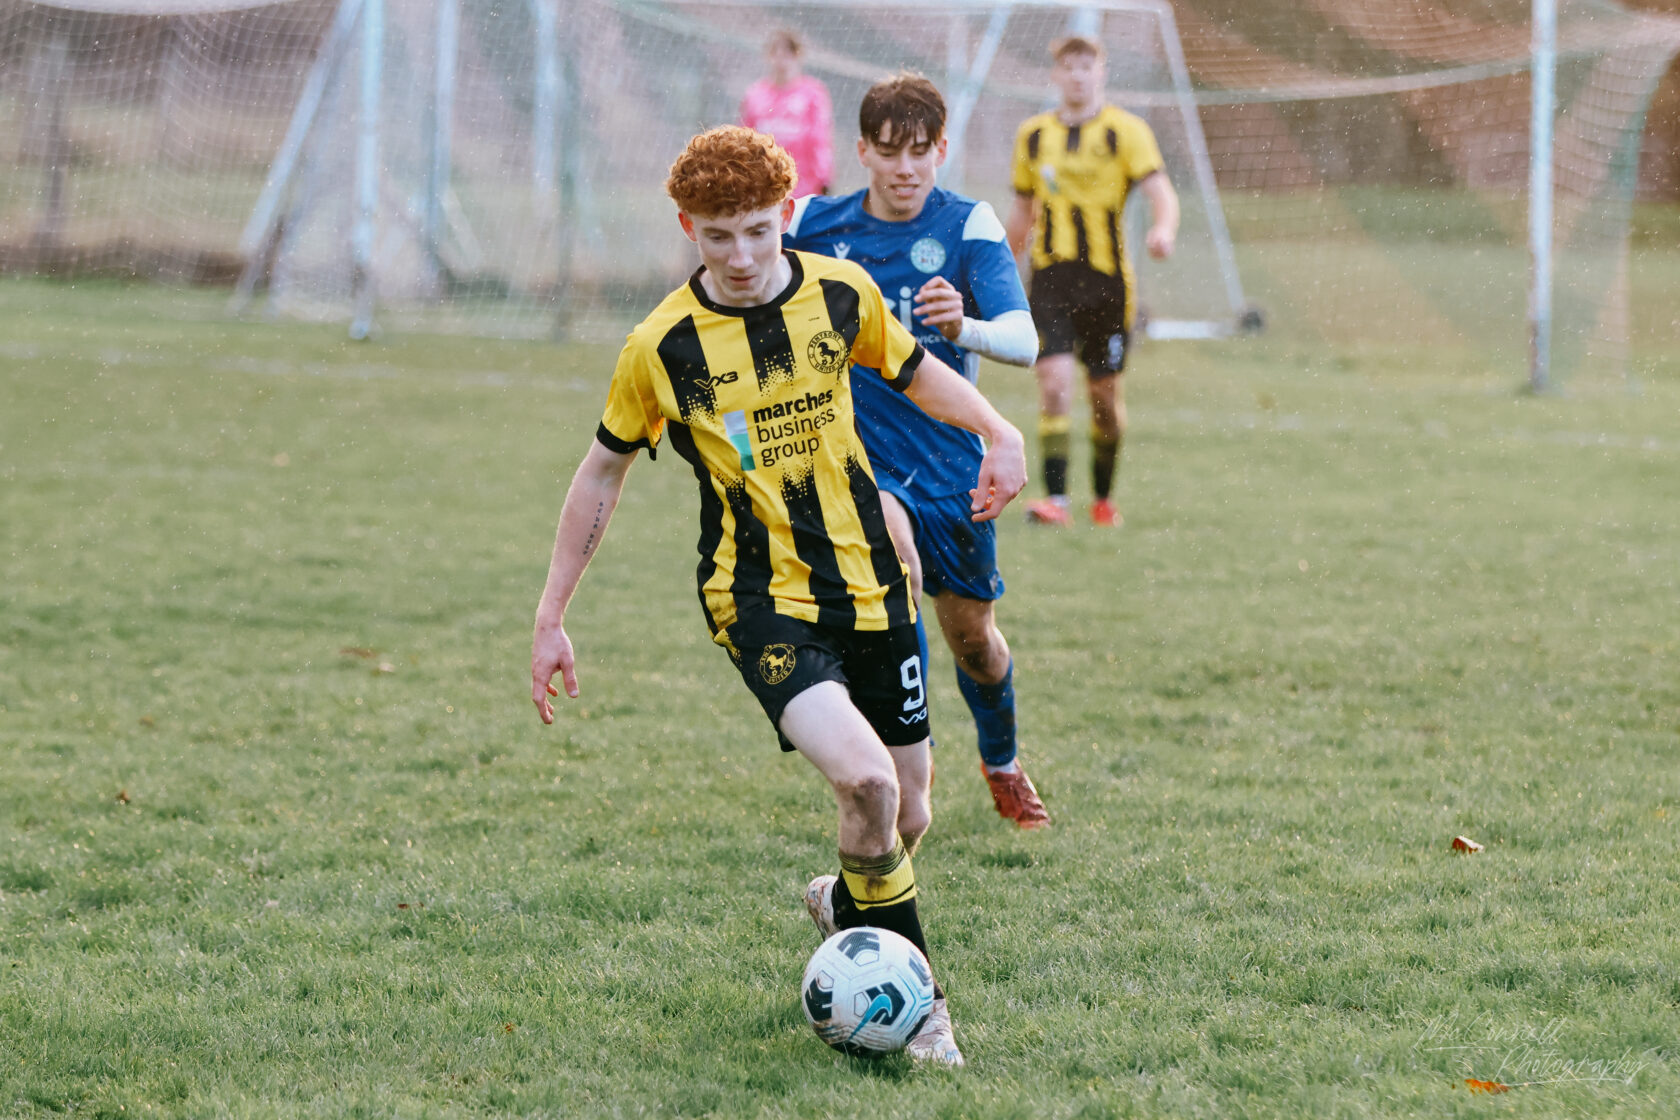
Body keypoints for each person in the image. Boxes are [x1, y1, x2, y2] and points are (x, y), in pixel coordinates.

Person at [529, 126, 1026, 1067]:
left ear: (788, 216)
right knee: (868, 783)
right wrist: (552, 615)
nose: (744, 256)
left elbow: (917, 374)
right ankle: (921, 1014)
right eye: (719, 236)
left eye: (759, 231)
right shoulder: (661, 346)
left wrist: (999, 430)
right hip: (759, 601)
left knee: (906, 816)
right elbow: (601, 472)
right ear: (688, 228)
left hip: (874, 584)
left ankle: (844, 903)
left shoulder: (840, 295)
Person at [784, 73, 1050, 830]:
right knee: (891, 564)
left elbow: (1025, 342)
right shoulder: (811, 222)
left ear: (941, 151)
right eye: (889, 153)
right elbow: (738, 264)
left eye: (921, 153)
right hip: (857, 456)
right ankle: (905, 767)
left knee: (974, 640)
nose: (906, 170)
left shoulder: (967, 226)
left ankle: (999, 760)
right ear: (862, 151)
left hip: (949, 465)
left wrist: (964, 327)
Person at [1005, 34, 1179, 528]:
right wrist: (992, 266)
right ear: (1056, 75)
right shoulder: (1034, 135)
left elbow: (1160, 190)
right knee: (1055, 384)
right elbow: (1021, 211)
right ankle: (1055, 502)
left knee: (1104, 398)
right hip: (1051, 279)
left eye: (1087, 67)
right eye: (1069, 67)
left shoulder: (1127, 131)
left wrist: (1163, 230)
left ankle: (1103, 498)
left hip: (1107, 284)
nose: (1078, 75)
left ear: (1101, 73)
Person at [739, 29, 833, 198]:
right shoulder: (755, 94)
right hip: (764, 185)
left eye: (787, 53)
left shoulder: (813, 93)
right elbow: (744, 138)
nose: (781, 60)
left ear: (797, 56)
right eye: (776, 53)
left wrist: (824, 177)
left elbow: (821, 138)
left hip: (804, 185)